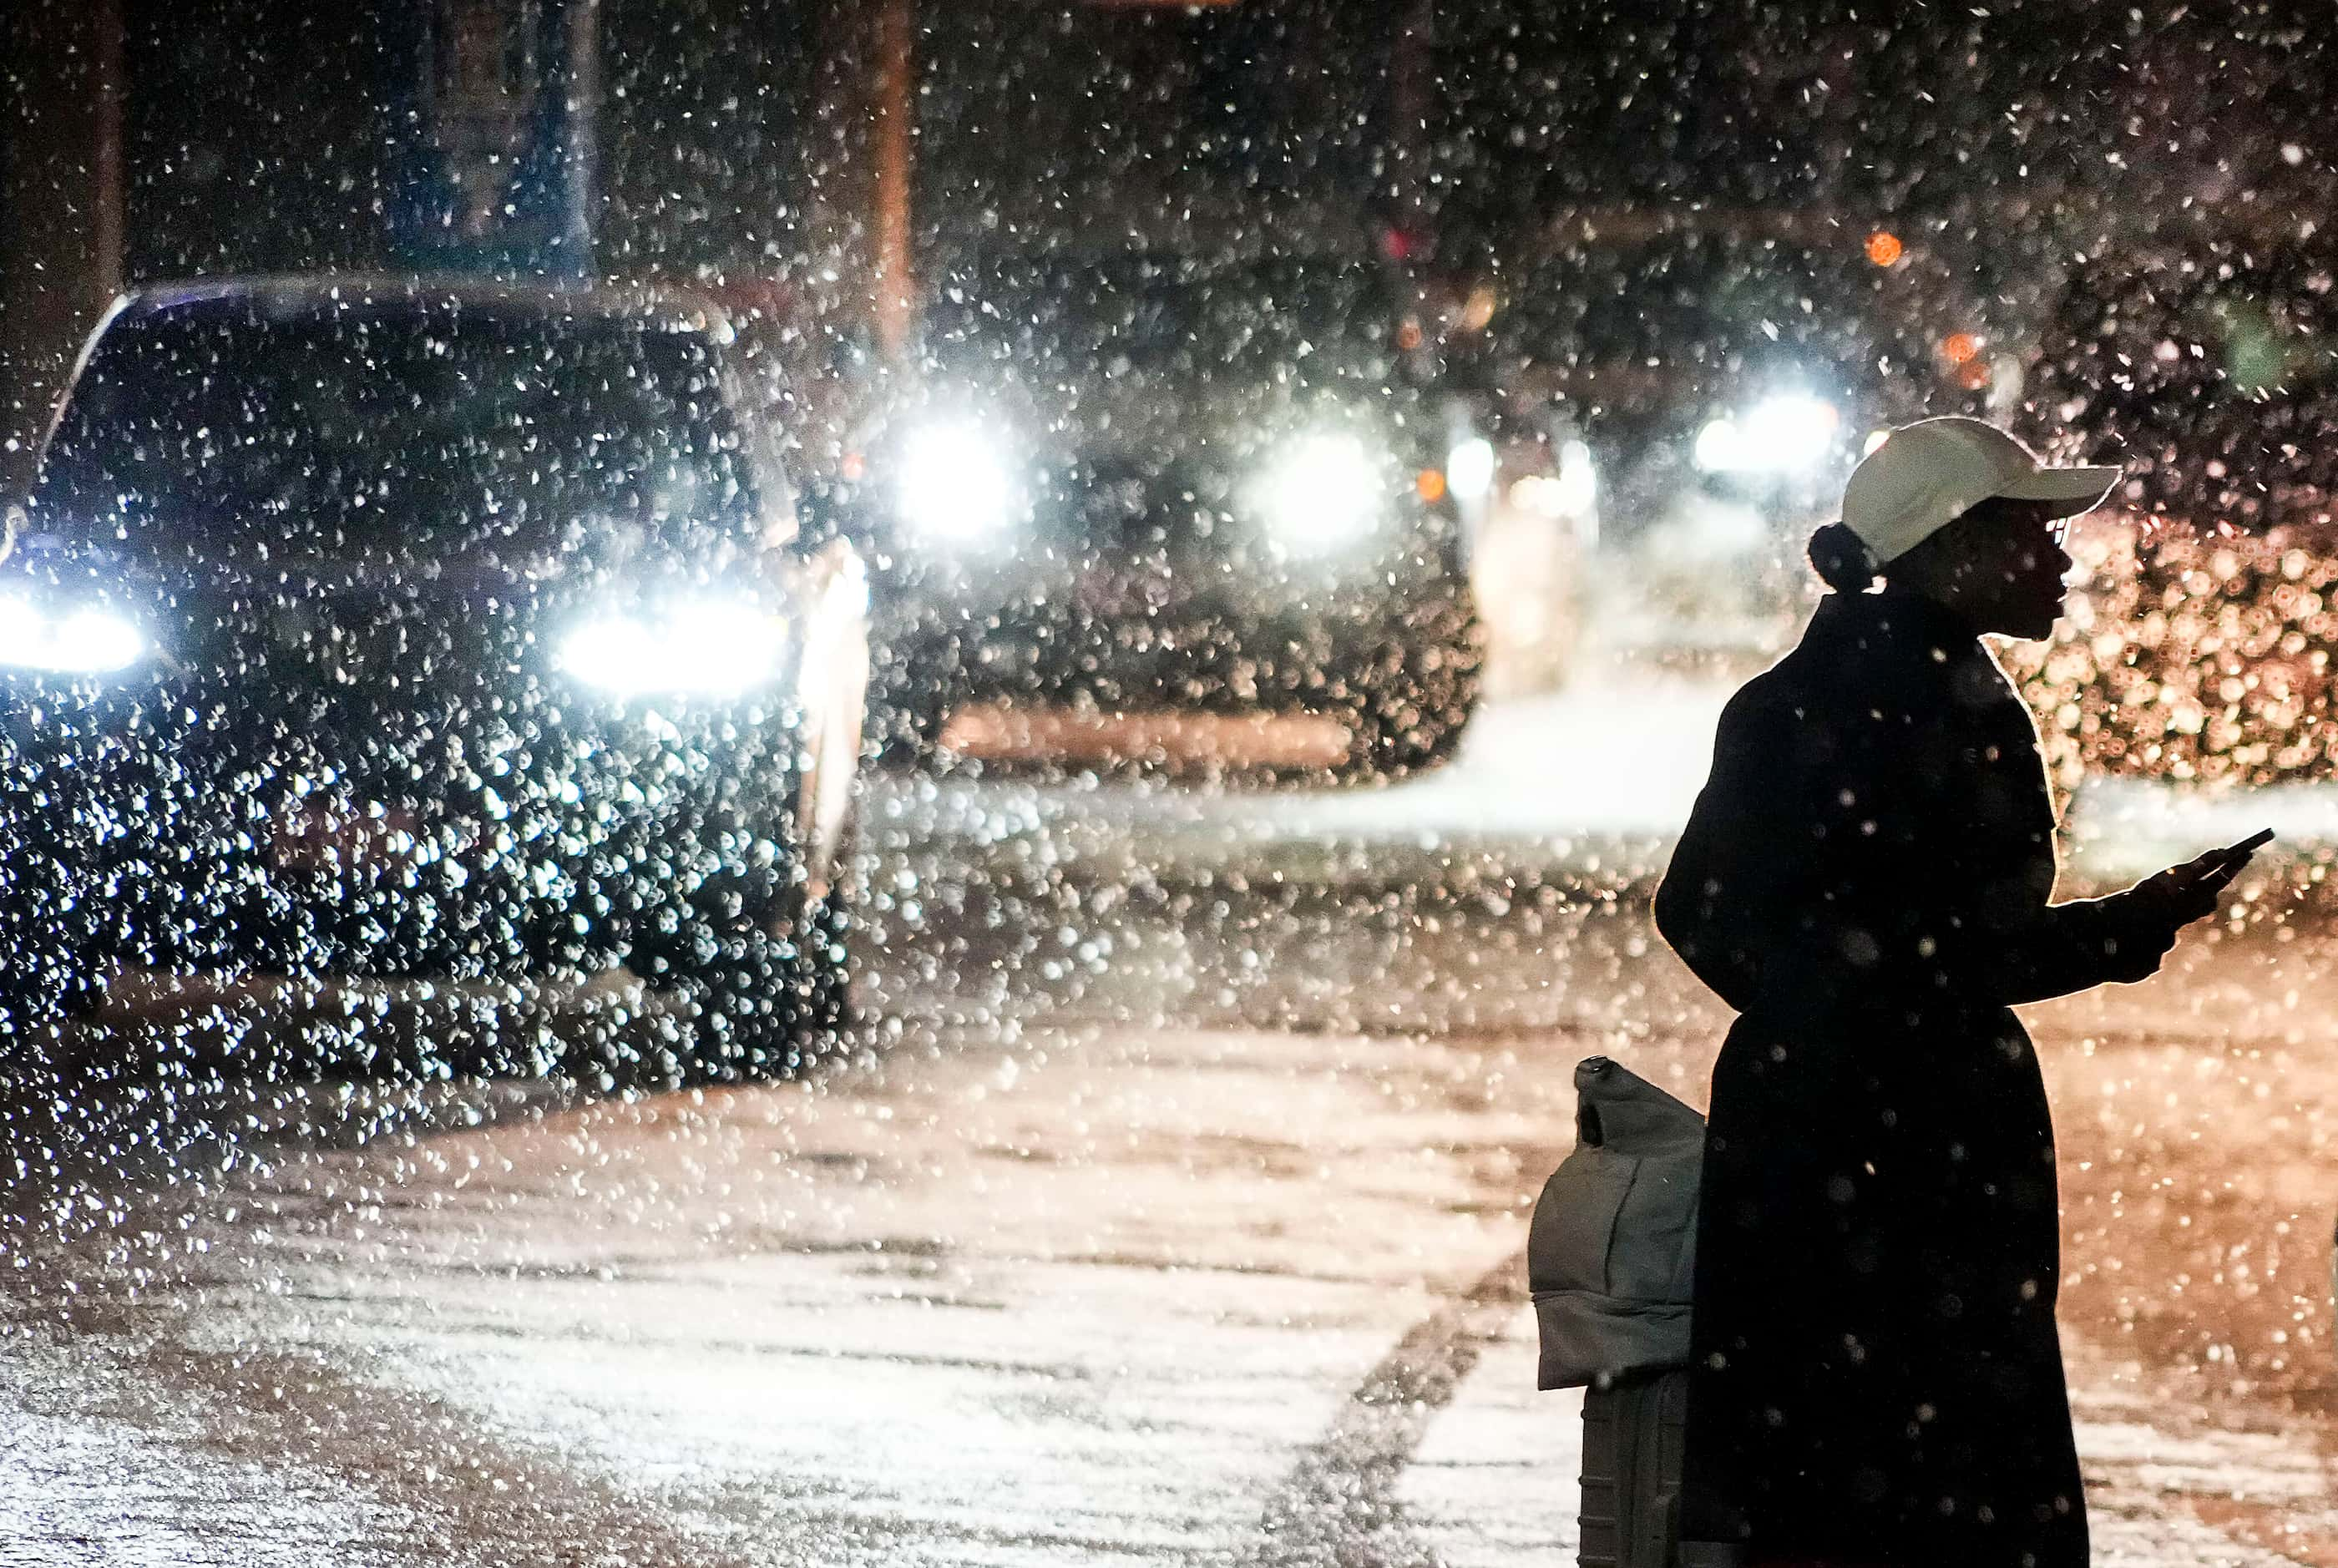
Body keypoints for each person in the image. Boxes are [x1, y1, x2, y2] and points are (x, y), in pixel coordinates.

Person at [1655, 417, 2255, 1567]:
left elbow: (1700, 912)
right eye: (2038, 532)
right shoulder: (1955, 717)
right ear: (1954, 545)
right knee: (1956, 1484)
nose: (2066, 559)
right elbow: (1968, 955)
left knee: (1804, 1480)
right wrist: (2116, 932)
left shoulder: (1784, 700)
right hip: (1934, 1149)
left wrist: (1813, 1017)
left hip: (1794, 1140)